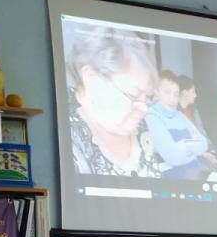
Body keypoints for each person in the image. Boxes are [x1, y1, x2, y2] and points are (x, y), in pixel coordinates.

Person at [66, 26, 162, 178]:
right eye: (133, 95)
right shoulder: (67, 136)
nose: (144, 108)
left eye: (148, 97)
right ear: (91, 78)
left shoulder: (139, 127)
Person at [147, 69, 211, 178]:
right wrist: (193, 150)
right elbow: (174, 157)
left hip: (195, 170)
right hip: (172, 178)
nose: (172, 98)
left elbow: (203, 144)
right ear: (156, 92)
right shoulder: (151, 117)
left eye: (176, 94)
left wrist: (184, 143)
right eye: (167, 92)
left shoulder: (180, 116)